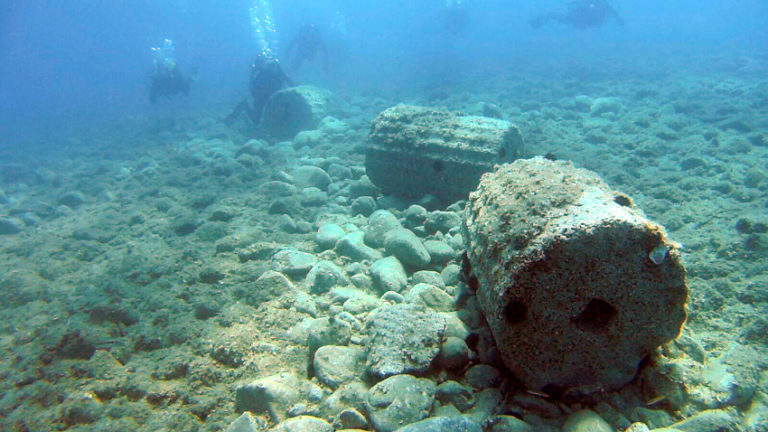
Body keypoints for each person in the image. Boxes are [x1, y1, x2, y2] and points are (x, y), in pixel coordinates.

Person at [225, 49, 292, 125]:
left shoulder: (274, 72)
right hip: (262, 97)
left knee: (262, 119)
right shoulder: (266, 73)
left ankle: (237, 113)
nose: (272, 67)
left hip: (272, 97)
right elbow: (288, 81)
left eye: (273, 65)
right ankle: (240, 110)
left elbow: (288, 81)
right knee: (257, 120)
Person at [529, 0, 623, 29]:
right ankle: (537, 22)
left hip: (585, 22)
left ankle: (537, 22)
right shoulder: (602, 4)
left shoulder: (602, 4)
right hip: (580, 20)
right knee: (552, 15)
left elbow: (613, 13)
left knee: (554, 16)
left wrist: (620, 22)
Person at [148, 39, 191, 103]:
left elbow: (181, 80)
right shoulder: (158, 68)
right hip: (168, 87)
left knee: (183, 85)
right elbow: (154, 85)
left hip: (172, 86)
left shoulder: (173, 69)